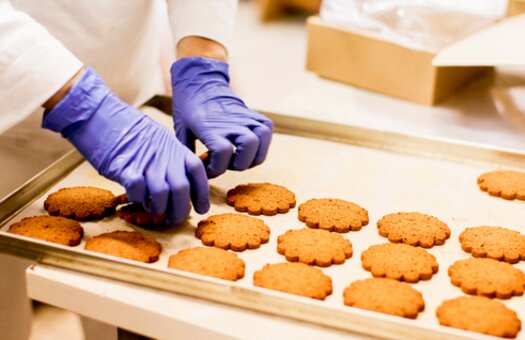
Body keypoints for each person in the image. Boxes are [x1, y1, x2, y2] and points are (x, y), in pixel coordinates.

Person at [0, 1, 273, 339]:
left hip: (129, 101)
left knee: (122, 317)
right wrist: (78, 100)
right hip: (6, 126)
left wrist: (204, 58)